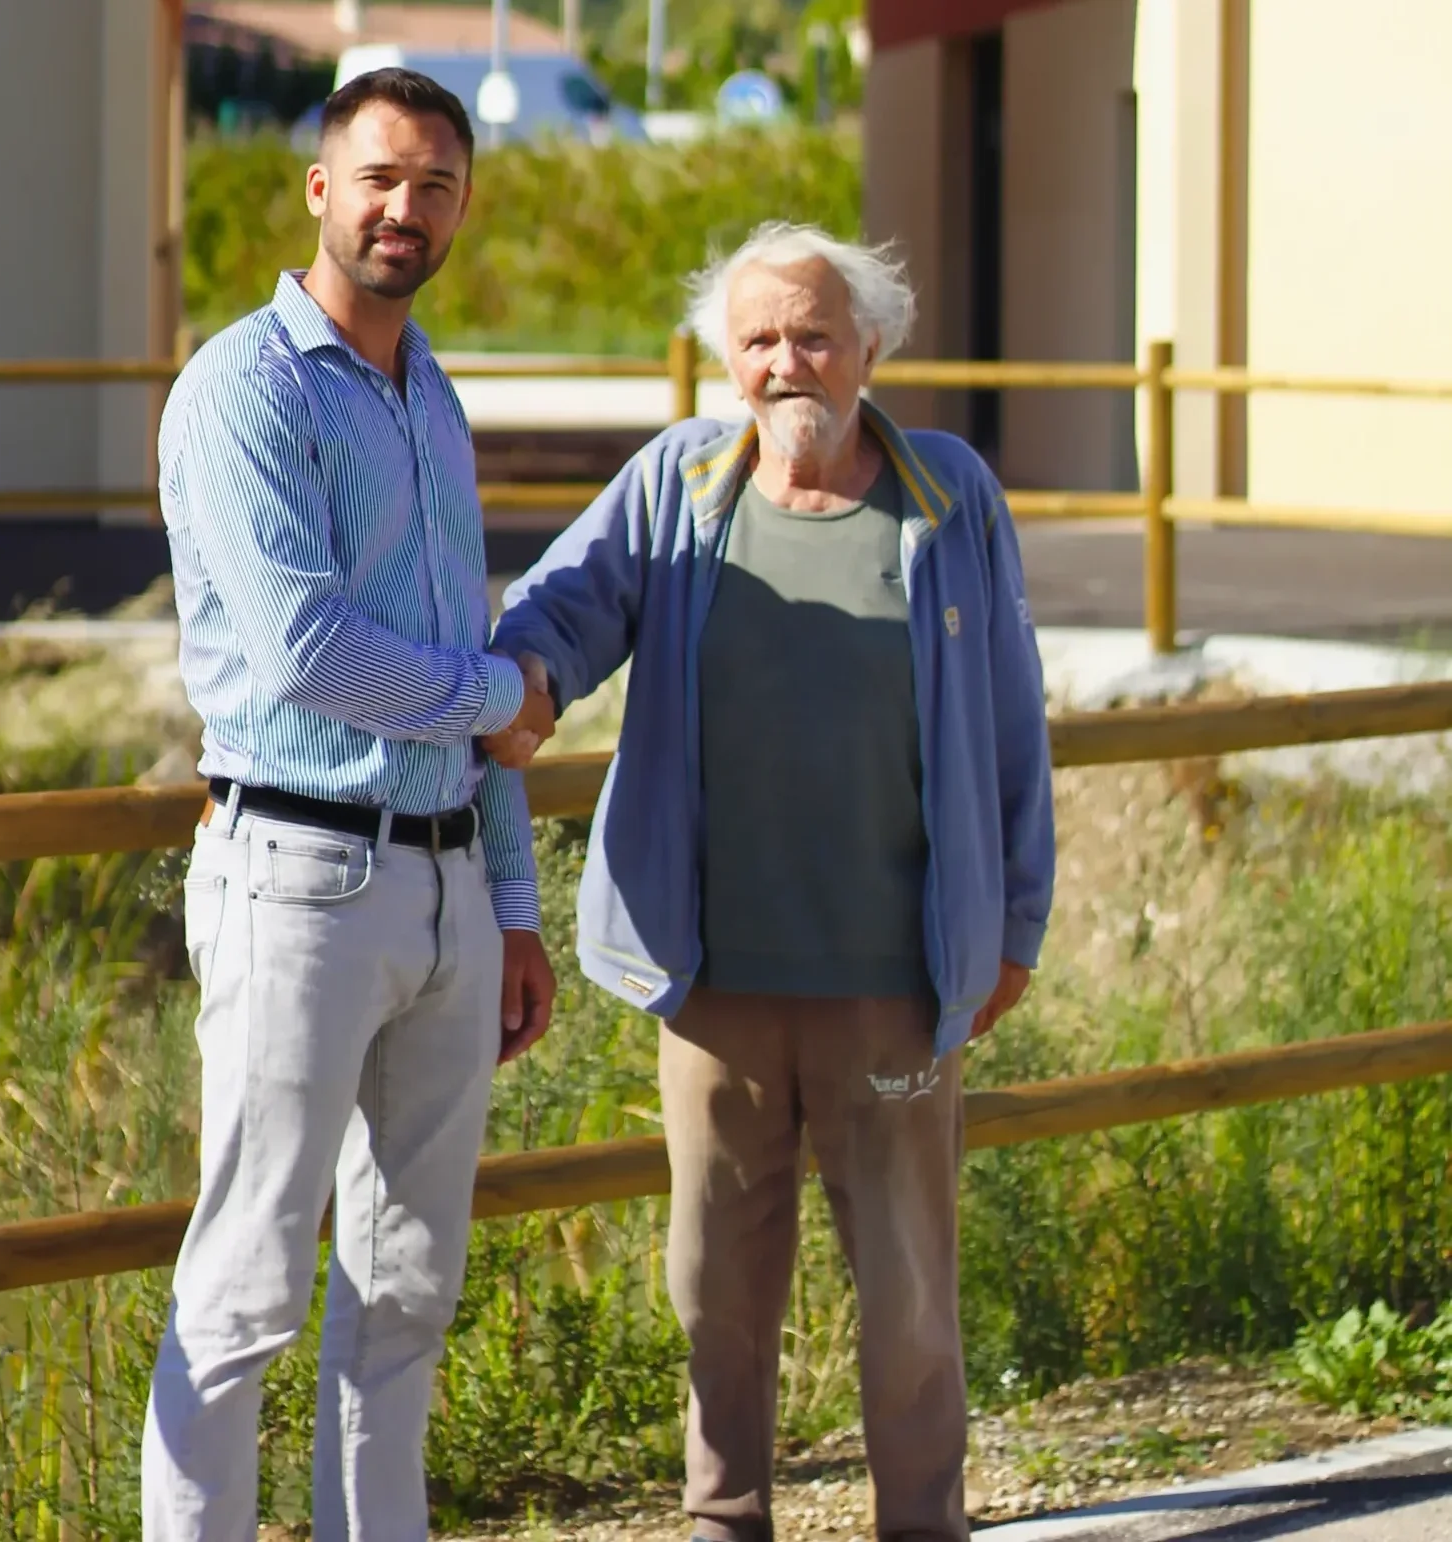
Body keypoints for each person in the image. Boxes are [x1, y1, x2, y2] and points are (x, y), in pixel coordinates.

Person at [485, 222, 1055, 1542]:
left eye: (810, 334)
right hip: (714, 976)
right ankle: (721, 1520)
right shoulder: (675, 483)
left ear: (866, 347)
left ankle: (921, 1522)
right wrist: (521, 680)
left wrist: (1012, 923)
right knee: (713, 1289)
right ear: (722, 359)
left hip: (896, 981)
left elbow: (1014, 724)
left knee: (909, 1297)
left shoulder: (948, 493)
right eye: (757, 340)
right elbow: (563, 605)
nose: (785, 362)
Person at [142, 68, 557, 1542]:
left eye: (436, 184)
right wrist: (494, 699)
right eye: (381, 177)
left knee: (405, 1290)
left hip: (445, 883)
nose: (406, 207)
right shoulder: (243, 387)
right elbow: (307, 651)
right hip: (298, 877)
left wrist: (509, 902)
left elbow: (480, 656)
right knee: (245, 1284)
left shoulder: (428, 389)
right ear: (318, 189)